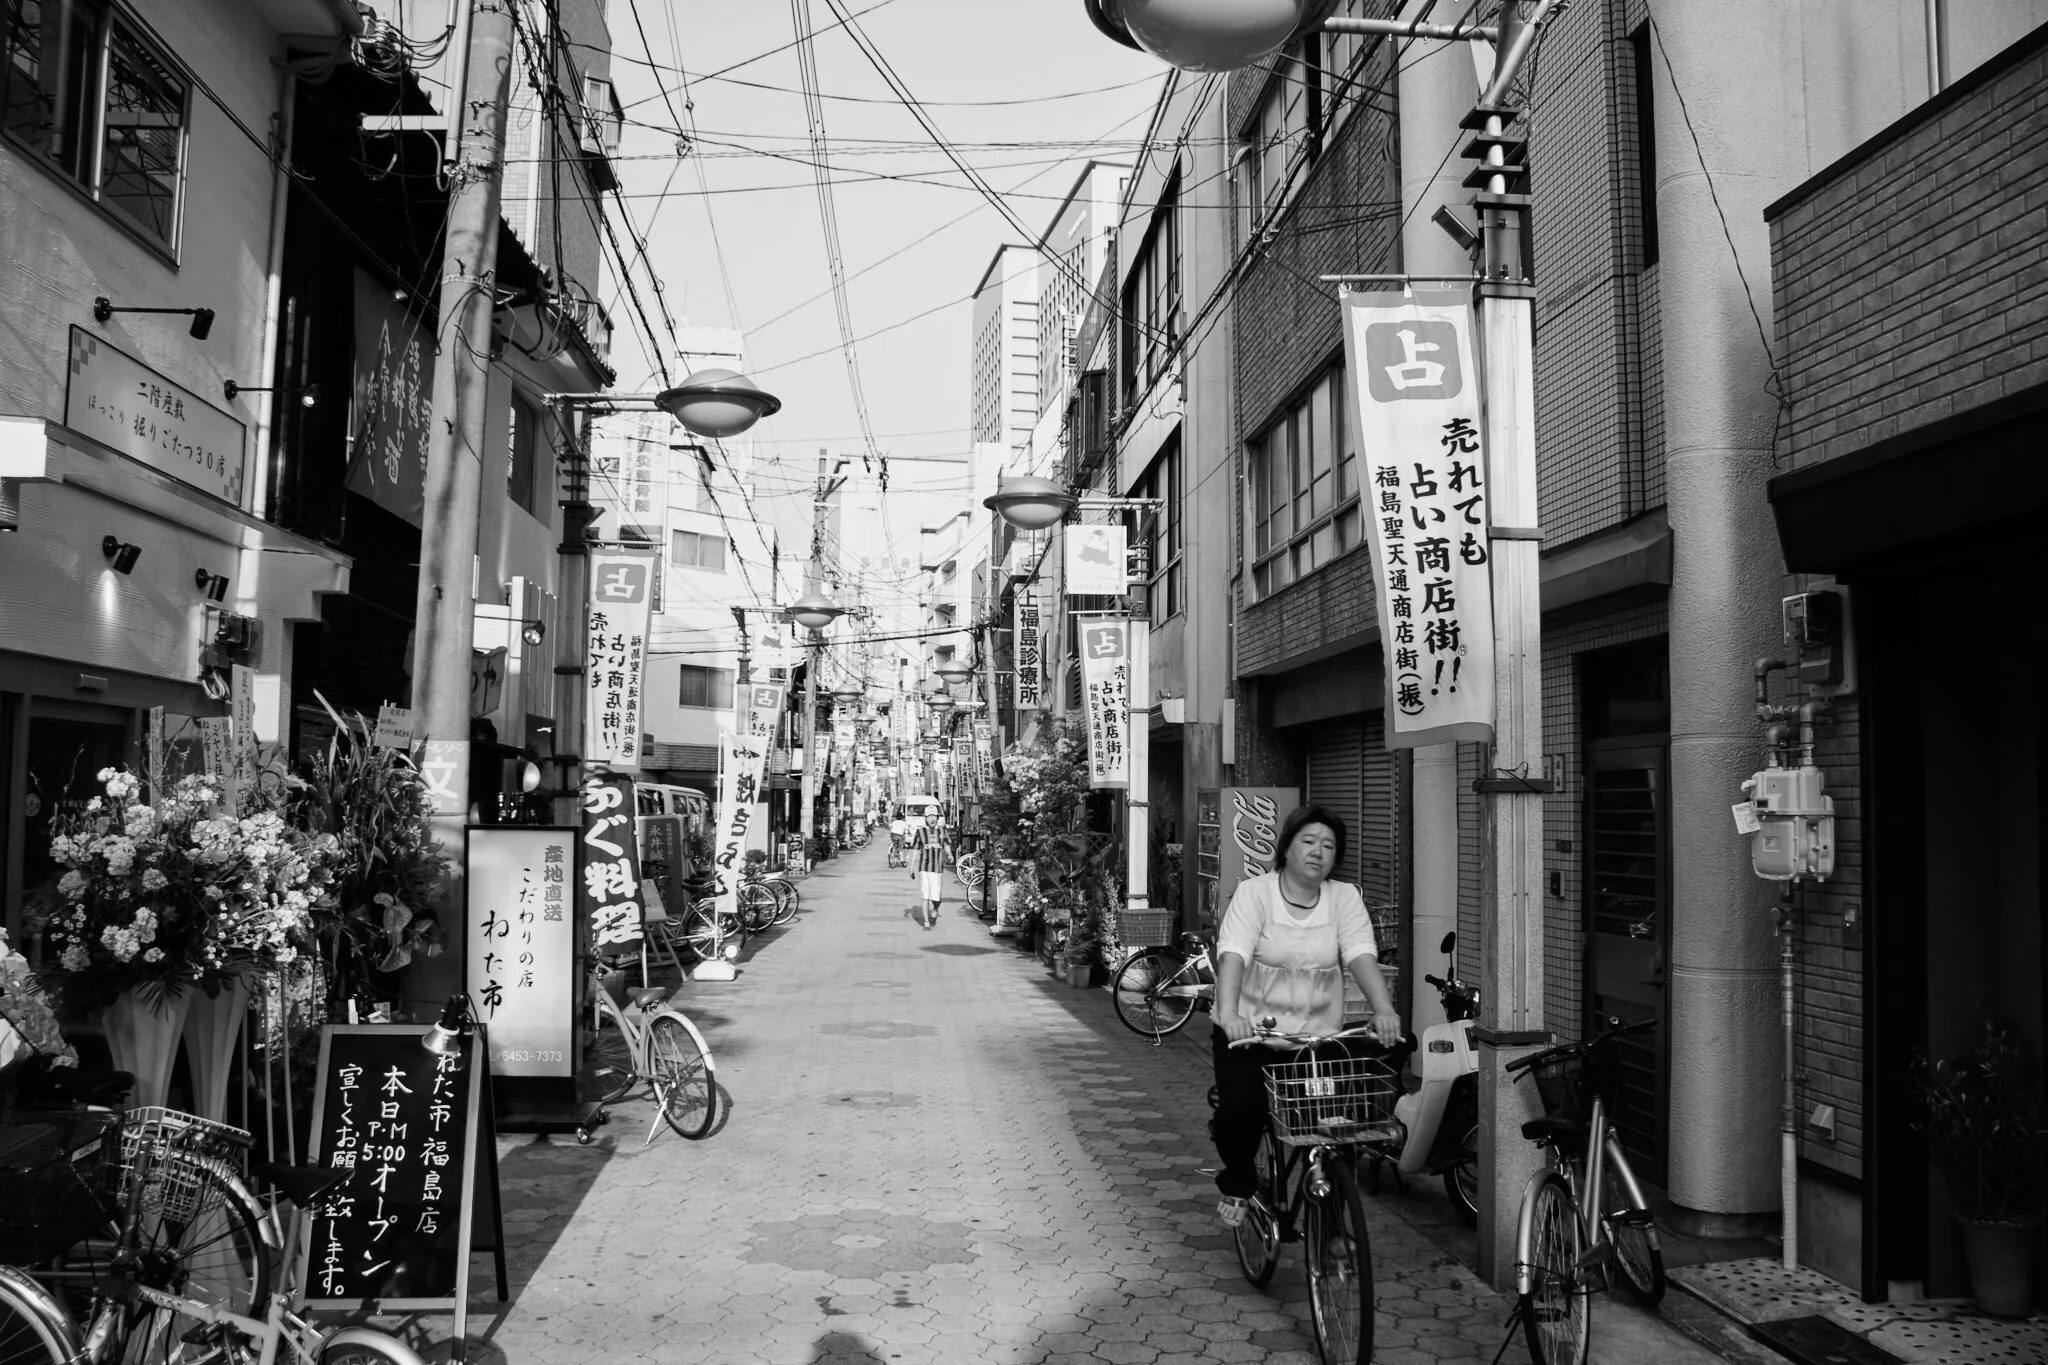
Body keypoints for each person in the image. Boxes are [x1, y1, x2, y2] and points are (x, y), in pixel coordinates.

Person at [1209, 804, 1401, 1227]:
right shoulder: (1255, 893)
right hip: (1253, 1035)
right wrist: (1228, 1014)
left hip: (1316, 1043)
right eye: (1309, 841)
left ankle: (1333, 1233)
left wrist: (1384, 1010)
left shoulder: (1344, 897)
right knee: (1241, 1112)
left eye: (1328, 845)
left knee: (1338, 1129)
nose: (1318, 851)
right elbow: (1234, 954)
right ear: (1287, 848)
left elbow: (1359, 954)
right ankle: (1239, 1182)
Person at [907, 808, 945, 930]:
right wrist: (911, 867)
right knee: (925, 896)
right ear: (925, 819)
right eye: (929, 816)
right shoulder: (920, 832)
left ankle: (935, 909)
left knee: (936, 898)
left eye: (934, 816)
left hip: (938, 869)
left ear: (937, 818)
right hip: (924, 867)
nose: (932, 819)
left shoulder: (942, 831)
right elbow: (916, 849)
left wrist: (949, 854)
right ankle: (926, 922)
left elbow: (947, 844)